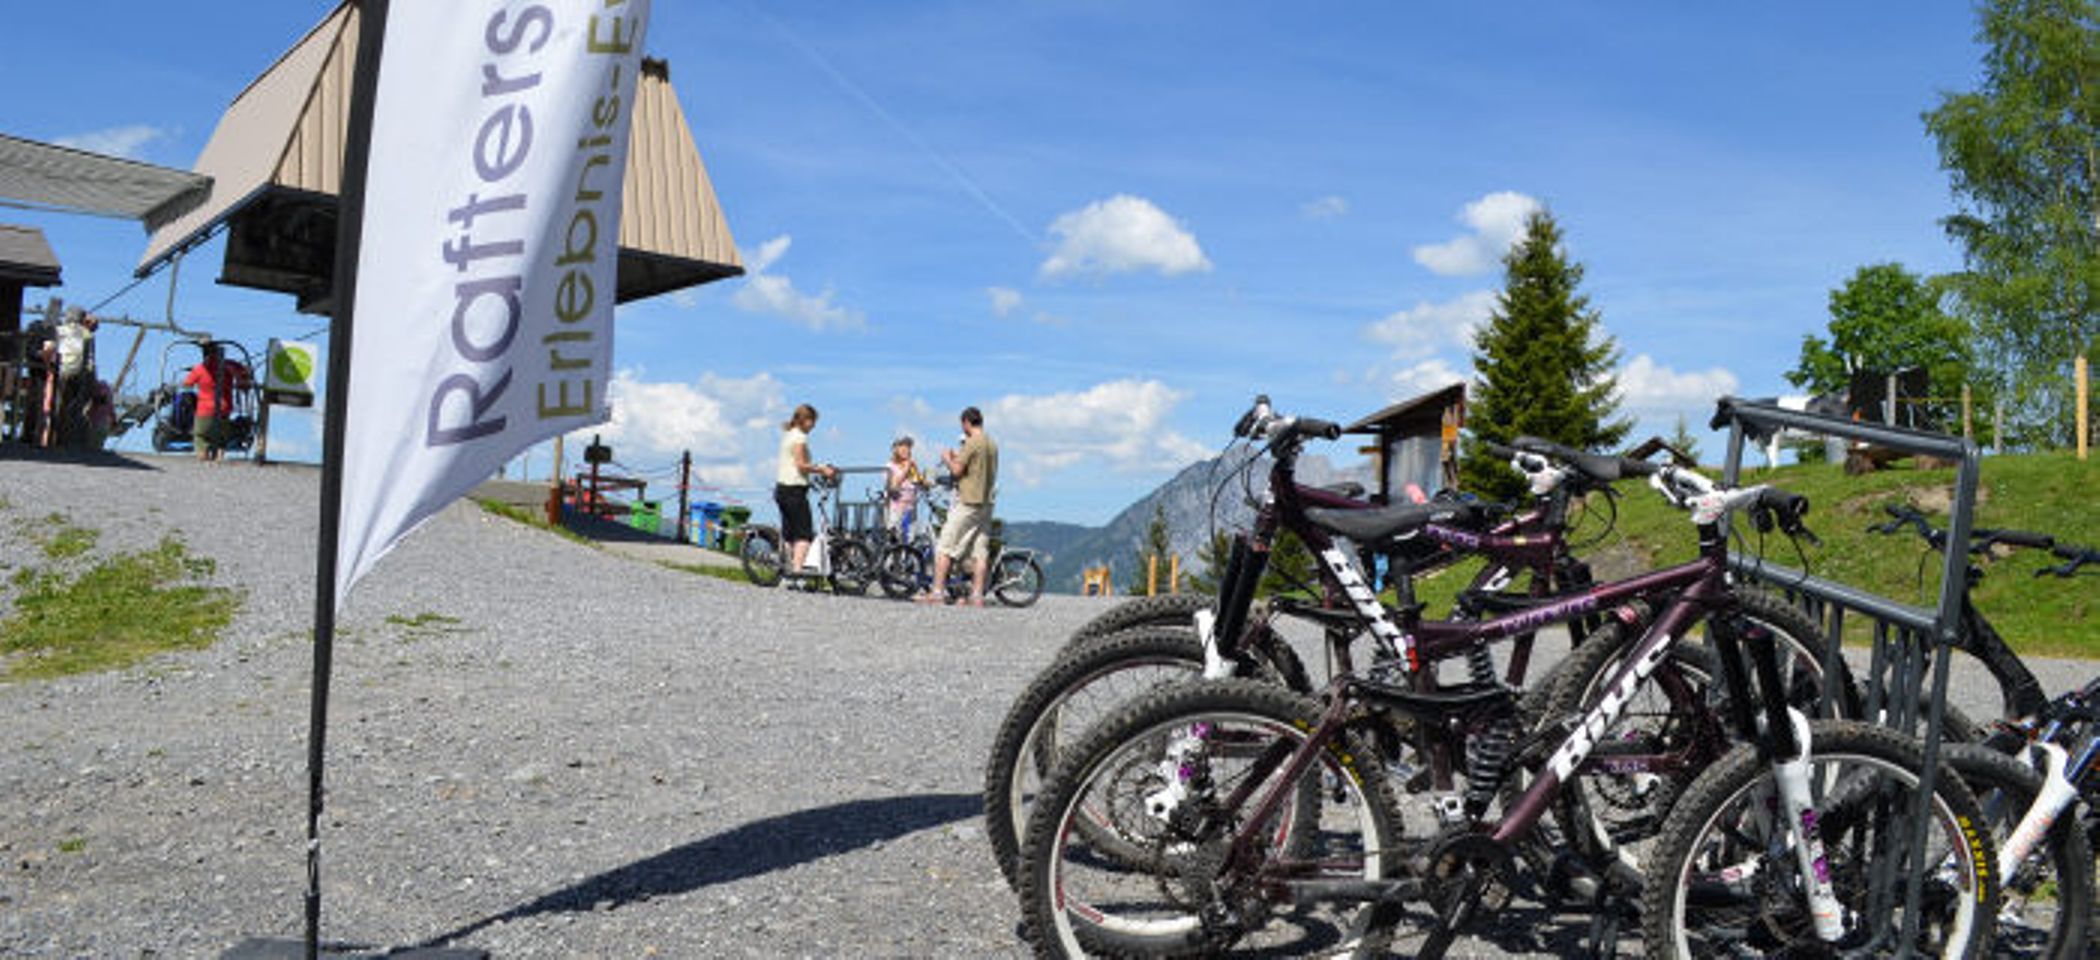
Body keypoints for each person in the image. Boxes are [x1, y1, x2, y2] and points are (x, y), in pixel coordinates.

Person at [920, 406, 999, 606]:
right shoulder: (991, 443)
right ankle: (977, 596)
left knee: (945, 545)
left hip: (968, 501)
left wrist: (947, 458)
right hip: (986, 503)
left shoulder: (972, 442)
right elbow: (975, 470)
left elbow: (956, 471)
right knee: (980, 551)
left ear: (966, 422)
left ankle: (937, 593)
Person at [774, 403, 838, 576]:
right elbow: (801, 465)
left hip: (782, 489)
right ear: (805, 420)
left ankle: (785, 570)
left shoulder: (789, 434)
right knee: (804, 534)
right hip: (794, 490)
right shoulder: (800, 438)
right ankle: (796, 571)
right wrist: (822, 469)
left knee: (789, 533)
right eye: (813, 421)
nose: (814, 426)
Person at [183, 343, 249, 462]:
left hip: (205, 411)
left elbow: (187, 384)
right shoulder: (230, 365)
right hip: (224, 409)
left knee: (200, 436)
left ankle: (203, 455)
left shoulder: (200, 368)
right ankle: (219, 456)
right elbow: (244, 374)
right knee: (221, 439)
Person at [884, 436, 927, 539]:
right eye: (903, 448)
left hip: (911, 505)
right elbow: (894, 485)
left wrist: (924, 482)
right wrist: (906, 469)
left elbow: (917, 481)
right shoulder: (890, 466)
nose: (906, 451)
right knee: (895, 535)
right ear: (896, 450)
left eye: (908, 448)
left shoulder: (911, 466)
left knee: (911, 536)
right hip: (896, 506)